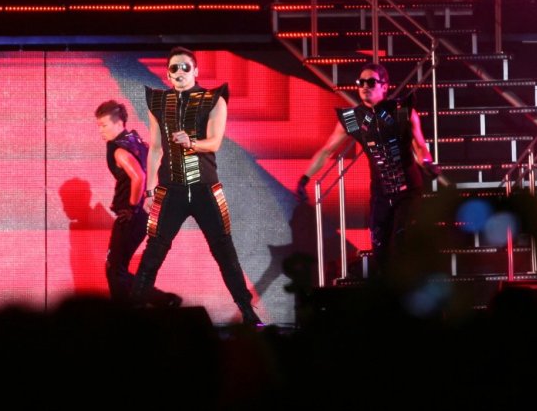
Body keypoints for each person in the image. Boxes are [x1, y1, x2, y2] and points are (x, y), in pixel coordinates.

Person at [130, 46, 262, 325]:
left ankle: (247, 310)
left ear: (196, 71)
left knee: (224, 249)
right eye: (174, 68)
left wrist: (191, 142)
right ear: (167, 74)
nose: (180, 72)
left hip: (205, 188)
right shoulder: (158, 102)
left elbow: (215, 142)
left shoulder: (214, 100)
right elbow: (155, 148)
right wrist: (150, 190)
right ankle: (133, 311)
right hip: (170, 188)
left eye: (185, 67)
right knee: (154, 248)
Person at [296, 62, 439, 278]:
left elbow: (419, 146)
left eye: (371, 82)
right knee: (380, 247)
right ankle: (387, 291)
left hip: (408, 190)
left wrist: (427, 163)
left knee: (401, 240)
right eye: (361, 82)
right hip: (381, 193)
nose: (364, 86)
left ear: (385, 86)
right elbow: (327, 151)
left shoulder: (402, 110)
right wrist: (305, 178)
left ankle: (409, 289)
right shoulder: (353, 119)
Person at [95, 100, 183, 308]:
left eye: (104, 125)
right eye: (99, 125)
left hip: (132, 214)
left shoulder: (118, 150)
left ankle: (147, 306)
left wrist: (132, 207)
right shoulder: (135, 140)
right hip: (144, 214)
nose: (101, 130)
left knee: (115, 269)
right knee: (118, 269)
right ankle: (162, 301)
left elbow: (139, 177)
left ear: (119, 123)